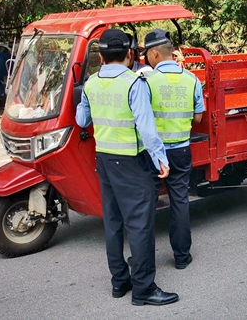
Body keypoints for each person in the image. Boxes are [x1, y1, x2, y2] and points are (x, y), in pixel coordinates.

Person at [75, 29, 179, 306]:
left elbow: (82, 120)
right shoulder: (135, 83)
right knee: (140, 226)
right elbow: (147, 128)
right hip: (133, 162)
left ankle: (119, 282)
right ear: (130, 54)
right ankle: (144, 288)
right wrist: (161, 160)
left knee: (113, 223)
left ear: (100, 55)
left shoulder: (91, 84)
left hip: (105, 160)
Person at [142, 28, 205, 269]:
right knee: (180, 201)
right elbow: (198, 118)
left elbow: (141, 116)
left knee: (147, 202)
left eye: (147, 53)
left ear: (155, 54)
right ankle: (181, 256)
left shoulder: (146, 81)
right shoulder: (191, 80)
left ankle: (143, 256)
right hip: (180, 150)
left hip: (152, 152)